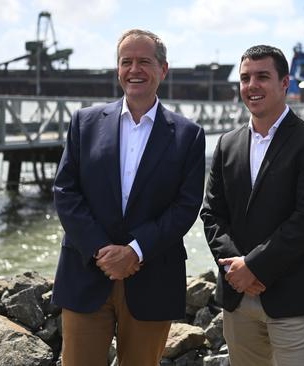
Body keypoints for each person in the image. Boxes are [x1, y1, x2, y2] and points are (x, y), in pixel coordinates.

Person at [52, 29, 205, 366]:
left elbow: (186, 205)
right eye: (126, 62)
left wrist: (135, 251)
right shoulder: (84, 123)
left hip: (152, 277)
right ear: (118, 69)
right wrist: (100, 250)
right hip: (86, 271)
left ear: (163, 70)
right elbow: (65, 191)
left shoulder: (189, 135)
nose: (134, 69)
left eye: (144, 62)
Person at [200, 45, 304, 366]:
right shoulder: (227, 143)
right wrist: (236, 270)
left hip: (292, 296)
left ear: (285, 83)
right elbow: (212, 213)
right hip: (238, 295)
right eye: (245, 78)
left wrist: (255, 267)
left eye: (263, 76)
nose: (252, 86)